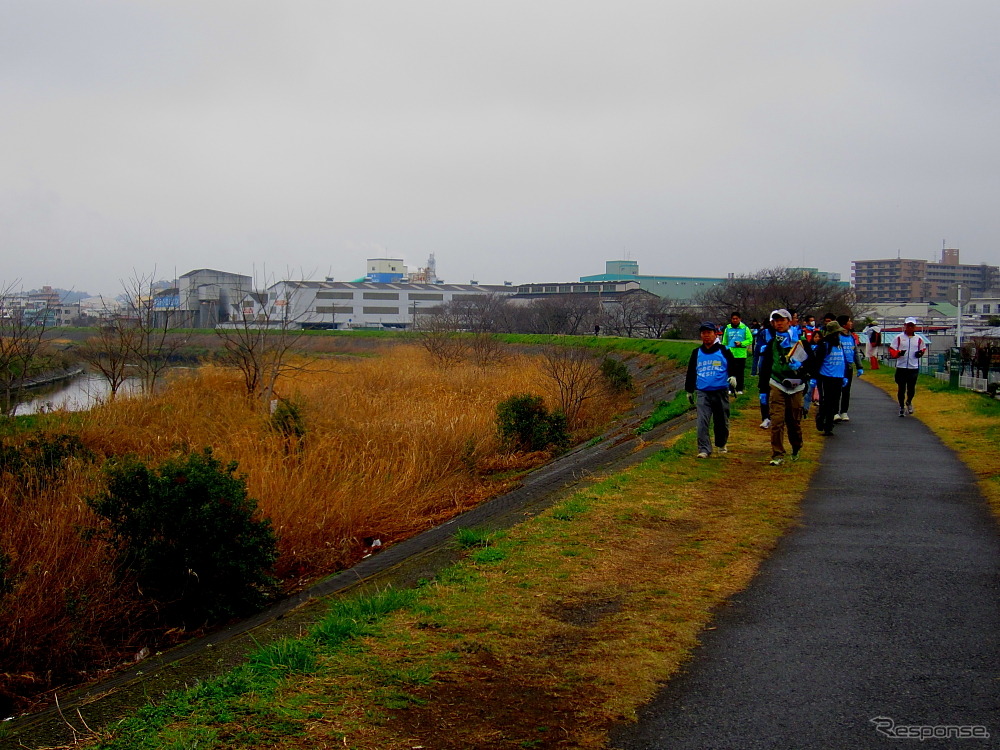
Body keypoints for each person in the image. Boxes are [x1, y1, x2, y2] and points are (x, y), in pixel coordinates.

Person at [758, 309, 815, 465]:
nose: (779, 323)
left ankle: (796, 446)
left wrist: (801, 367)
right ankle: (777, 454)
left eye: (782, 320)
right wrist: (763, 390)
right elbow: (766, 367)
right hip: (777, 383)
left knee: (793, 422)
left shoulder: (800, 341)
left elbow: (812, 364)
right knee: (777, 421)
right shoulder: (772, 343)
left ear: (789, 322)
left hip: (796, 386)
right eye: (776, 321)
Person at [686, 321, 739, 458]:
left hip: (720, 391)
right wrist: (689, 390)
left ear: (715, 334)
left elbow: (733, 367)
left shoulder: (724, 350)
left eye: (709, 333)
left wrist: (733, 377)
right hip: (703, 392)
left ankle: (721, 443)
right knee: (702, 422)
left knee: (721, 421)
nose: (706, 336)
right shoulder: (696, 352)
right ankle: (704, 449)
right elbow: (691, 371)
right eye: (703, 333)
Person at [813, 321, 849, 436]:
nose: (838, 335)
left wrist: (844, 376)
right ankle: (825, 423)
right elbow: (817, 362)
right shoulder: (824, 345)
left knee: (834, 402)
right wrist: (815, 377)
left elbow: (842, 361)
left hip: (838, 377)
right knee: (826, 402)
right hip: (826, 377)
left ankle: (828, 424)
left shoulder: (839, 345)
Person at [889, 317, 928, 416]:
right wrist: (898, 353)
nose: (910, 327)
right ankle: (901, 406)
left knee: (911, 388)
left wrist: (920, 353)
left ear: (915, 327)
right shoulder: (899, 338)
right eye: (908, 325)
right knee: (901, 388)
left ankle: (909, 401)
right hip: (901, 367)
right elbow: (892, 349)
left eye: (912, 326)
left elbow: (923, 348)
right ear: (905, 326)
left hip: (913, 367)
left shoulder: (919, 339)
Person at [834, 315, 864, 422]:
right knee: (837, 390)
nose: (851, 323)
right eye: (849, 321)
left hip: (849, 367)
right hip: (838, 366)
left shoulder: (851, 337)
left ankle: (844, 412)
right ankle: (835, 412)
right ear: (843, 324)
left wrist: (859, 366)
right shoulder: (837, 336)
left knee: (846, 390)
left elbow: (855, 352)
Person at [721, 311, 753, 394]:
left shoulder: (745, 328)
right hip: (730, 354)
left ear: (740, 319)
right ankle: (730, 389)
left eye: (736, 319)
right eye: (733, 319)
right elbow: (724, 342)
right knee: (730, 372)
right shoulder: (727, 328)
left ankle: (739, 389)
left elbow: (750, 340)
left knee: (740, 372)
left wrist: (741, 343)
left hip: (741, 354)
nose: (735, 320)